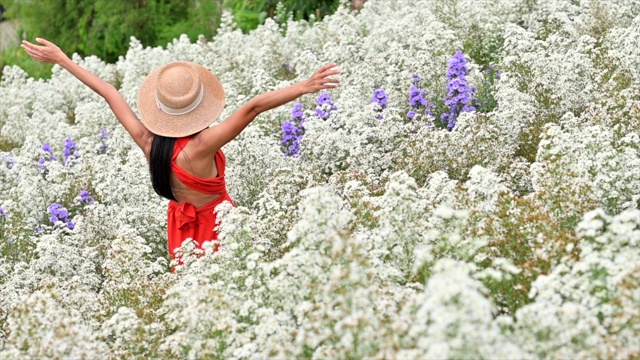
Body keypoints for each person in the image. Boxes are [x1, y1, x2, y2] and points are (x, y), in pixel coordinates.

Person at [21, 37, 339, 261]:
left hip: (179, 227)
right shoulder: (202, 145)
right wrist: (304, 86)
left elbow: (108, 92)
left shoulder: (149, 143)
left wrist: (62, 59)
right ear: (199, 107)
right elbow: (253, 107)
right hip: (219, 226)